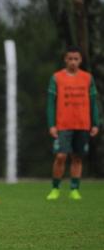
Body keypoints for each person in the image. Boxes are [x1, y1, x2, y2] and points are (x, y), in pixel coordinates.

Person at [46, 46, 100, 201]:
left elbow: (93, 103)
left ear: (80, 60)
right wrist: (52, 124)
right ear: (65, 59)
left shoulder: (87, 78)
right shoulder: (56, 78)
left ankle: (74, 189)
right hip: (63, 125)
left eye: (76, 59)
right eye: (70, 59)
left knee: (77, 157)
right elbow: (51, 103)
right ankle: (55, 188)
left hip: (82, 124)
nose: (73, 62)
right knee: (61, 156)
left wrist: (95, 123)